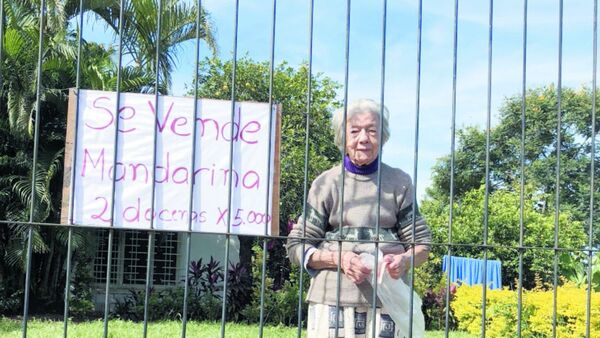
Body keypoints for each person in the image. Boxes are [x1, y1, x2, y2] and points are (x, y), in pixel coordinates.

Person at [286, 99, 432, 338]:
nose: (363, 138)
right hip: (331, 300)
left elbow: (422, 244)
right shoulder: (326, 183)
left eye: (372, 130)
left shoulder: (399, 182)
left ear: (382, 137)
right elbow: (297, 245)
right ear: (343, 138)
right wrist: (339, 258)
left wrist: (404, 260)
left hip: (388, 301)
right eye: (354, 131)